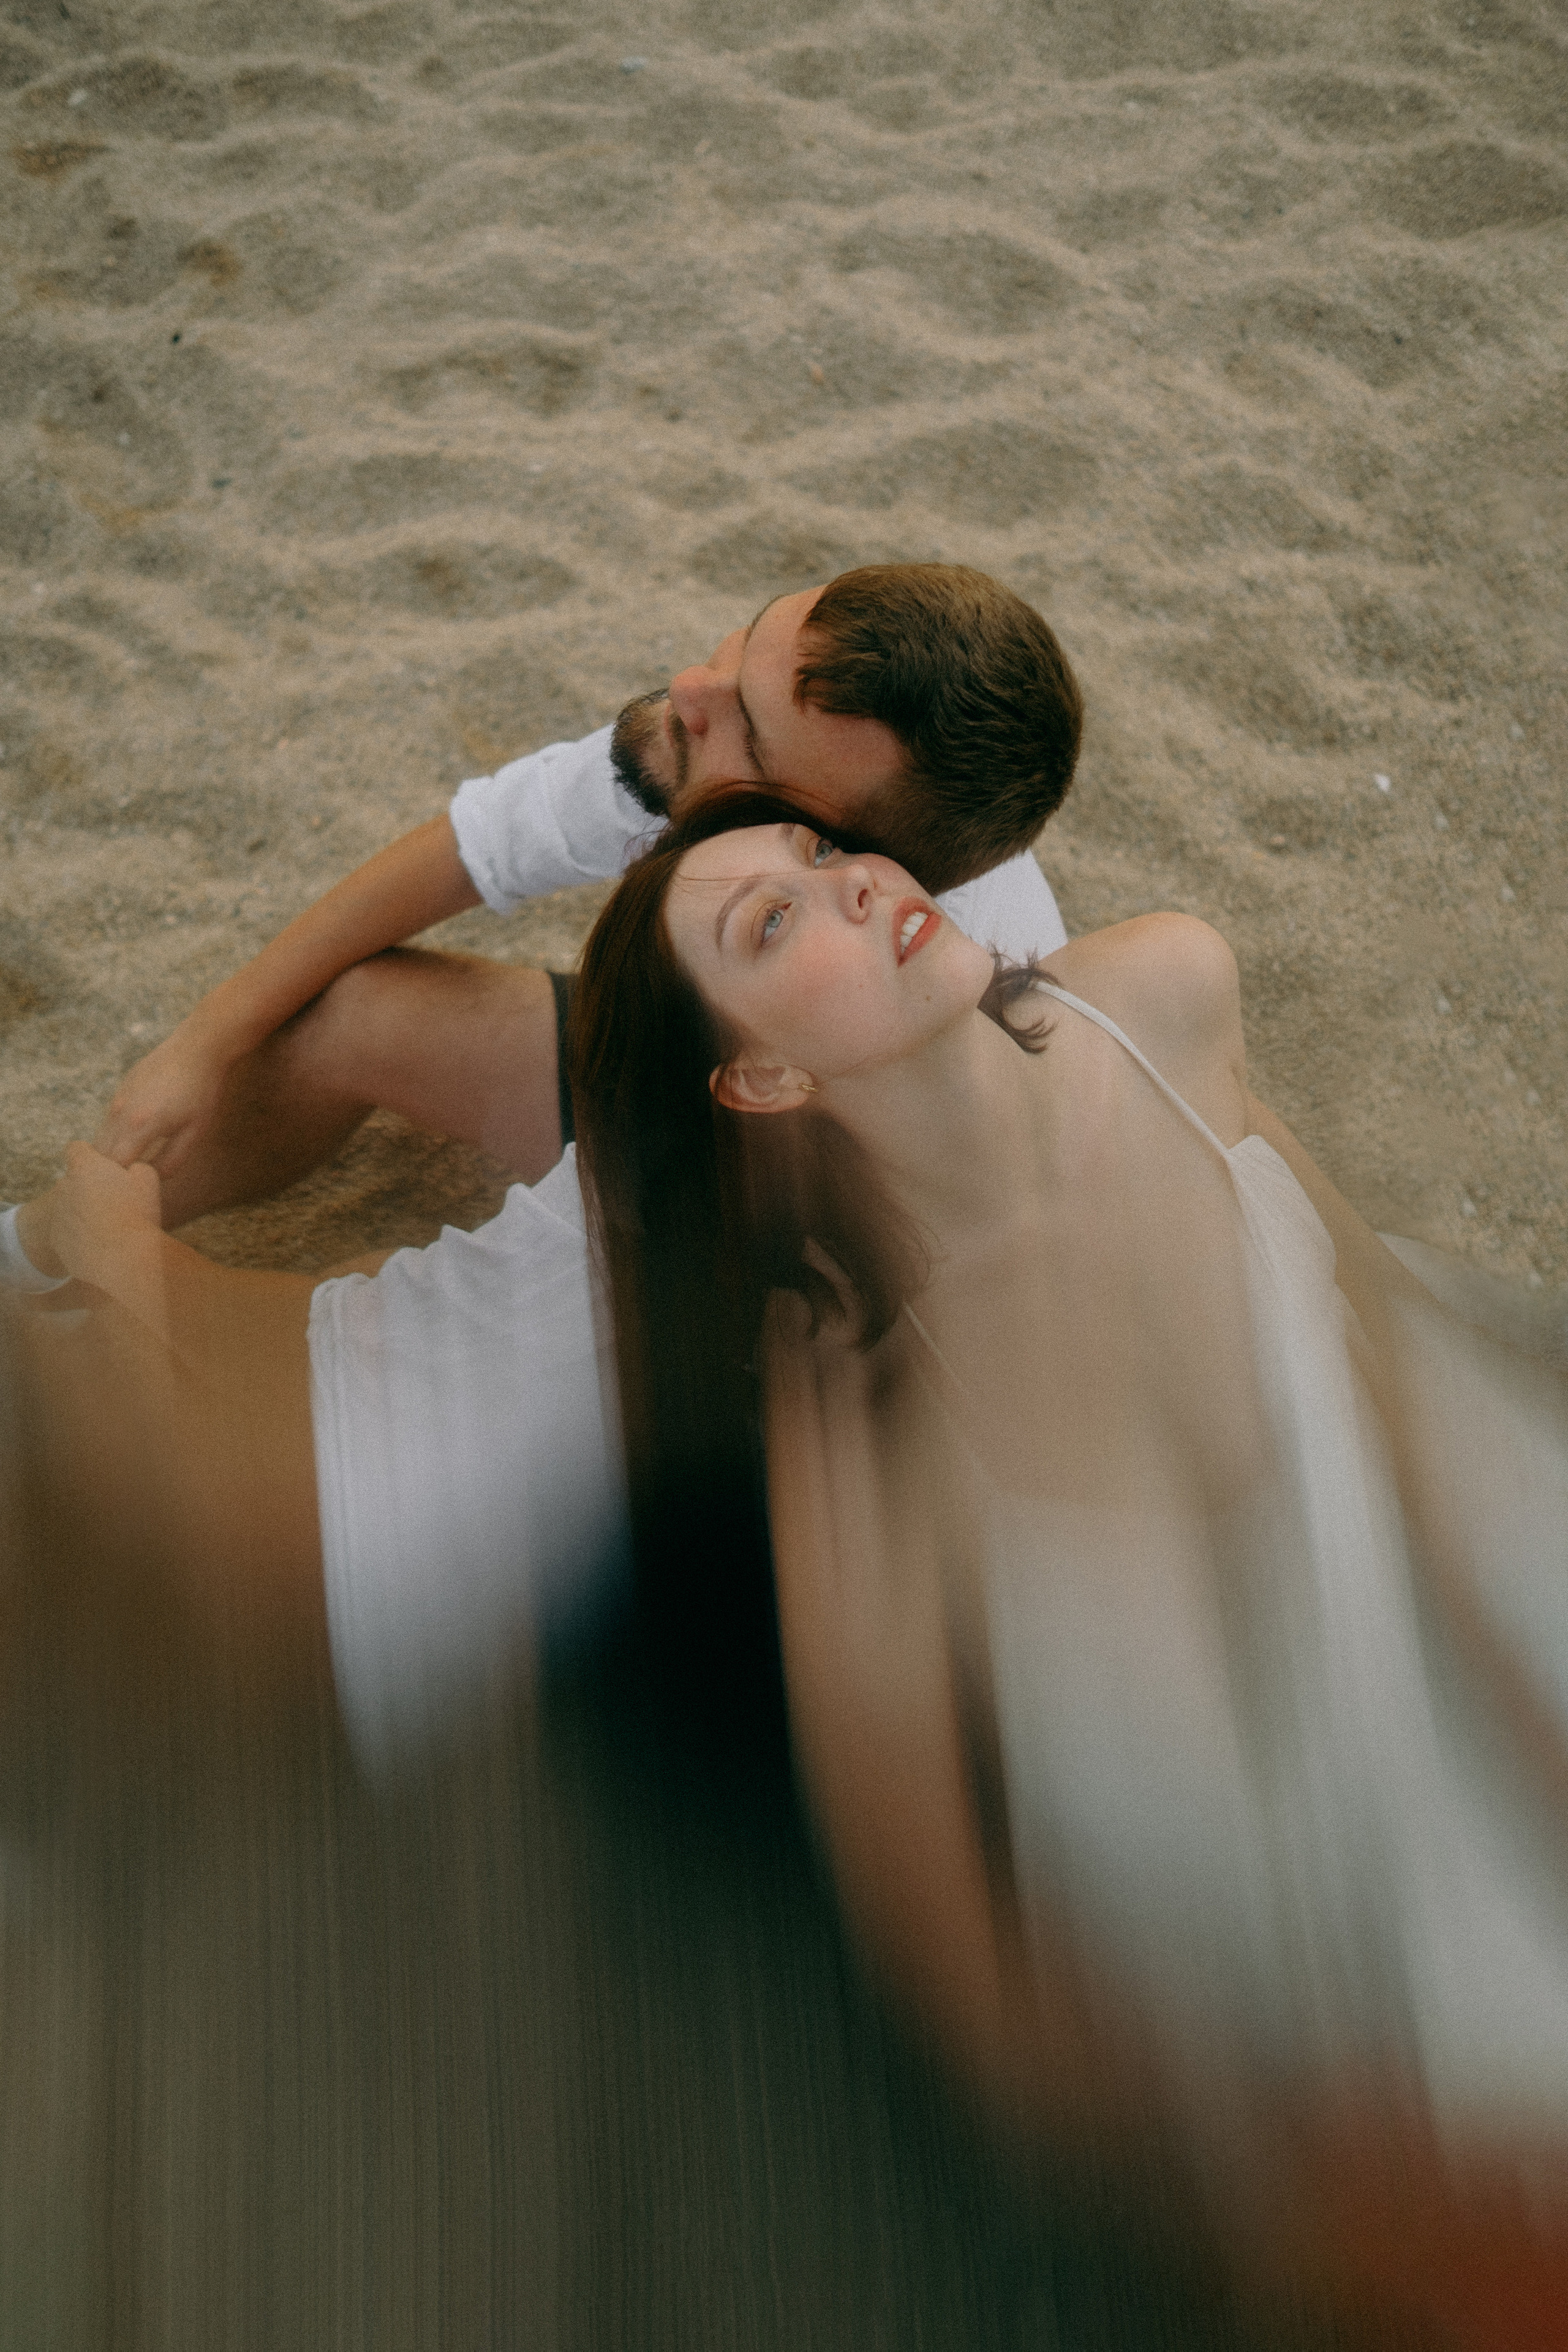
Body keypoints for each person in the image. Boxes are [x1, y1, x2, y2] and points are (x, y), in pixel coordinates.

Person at [565, 797, 1568, 2345]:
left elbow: (1376, 1369)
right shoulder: (855, 1403)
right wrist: (1253, 2183)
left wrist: (1524, 1711)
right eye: (772, 924)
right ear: (760, 1077)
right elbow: (935, 1912)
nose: (856, 889)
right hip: (1283, 1943)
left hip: (1462, 1628)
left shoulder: (1165, 991)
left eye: (826, 860)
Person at [1, 565, 1082, 1761]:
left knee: (85, 1422)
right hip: (722, 1087)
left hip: (735, 1268)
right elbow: (475, 844)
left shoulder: (896, 1128)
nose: (692, 687)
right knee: (351, 1021)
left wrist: (105, 1264)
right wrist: (199, 1047)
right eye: (745, 642)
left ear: (850, 842)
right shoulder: (742, 776)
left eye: (745, 722)